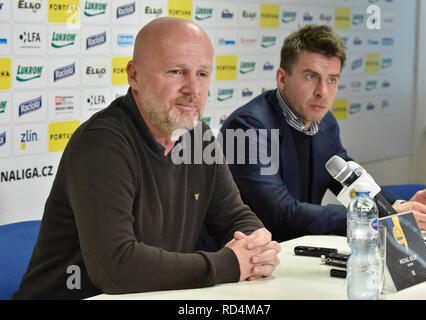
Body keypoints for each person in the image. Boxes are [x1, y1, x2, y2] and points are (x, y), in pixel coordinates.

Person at [13, 17, 280, 300]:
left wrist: (256, 250)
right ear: (134, 76)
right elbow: (116, 267)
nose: (193, 89)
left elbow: (235, 218)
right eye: (176, 71)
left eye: (202, 74)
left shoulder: (198, 137)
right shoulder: (102, 143)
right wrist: (230, 264)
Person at [219, 25, 426, 242]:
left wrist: (399, 206)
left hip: (294, 250)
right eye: (311, 77)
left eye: (332, 80)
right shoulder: (248, 126)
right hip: (244, 261)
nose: (323, 92)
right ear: (282, 78)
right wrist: (381, 216)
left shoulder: (324, 121)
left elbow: (349, 180)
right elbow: (279, 214)